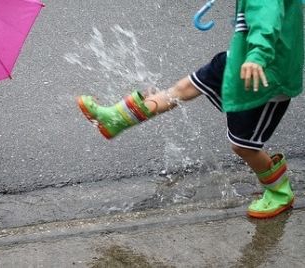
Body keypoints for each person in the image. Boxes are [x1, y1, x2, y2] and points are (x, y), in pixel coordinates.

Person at [77, 0, 303, 218]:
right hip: (237, 59)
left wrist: (257, 56)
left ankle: (278, 191)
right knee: (182, 89)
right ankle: (117, 119)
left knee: (243, 145)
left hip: (265, 77)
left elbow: (267, 21)